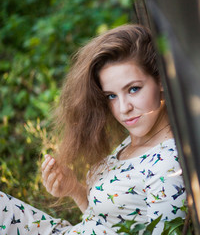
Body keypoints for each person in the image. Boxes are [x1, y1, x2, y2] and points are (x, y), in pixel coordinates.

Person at [0, 24, 187, 234]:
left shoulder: (167, 165)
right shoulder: (138, 139)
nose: (124, 108)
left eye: (133, 89)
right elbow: (107, 222)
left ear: (161, 81)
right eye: (111, 96)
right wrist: (74, 189)